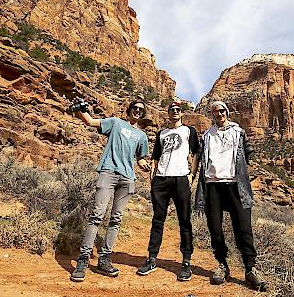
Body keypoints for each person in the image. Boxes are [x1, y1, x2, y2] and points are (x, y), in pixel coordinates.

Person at [70, 99, 151, 282]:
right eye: (135, 108)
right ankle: (83, 260)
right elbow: (90, 122)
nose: (137, 111)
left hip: (127, 177)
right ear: (129, 110)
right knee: (97, 215)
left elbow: (140, 158)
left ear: (142, 114)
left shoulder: (142, 136)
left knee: (116, 219)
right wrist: (81, 110)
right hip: (109, 172)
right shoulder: (115, 122)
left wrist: (144, 165)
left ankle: (104, 258)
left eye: (141, 110)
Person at [194, 100, 267, 291]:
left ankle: (250, 269)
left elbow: (248, 152)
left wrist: (241, 171)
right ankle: (222, 265)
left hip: (236, 185)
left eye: (222, 111)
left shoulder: (238, 131)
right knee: (215, 229)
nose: (219, 114)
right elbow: (199, 157)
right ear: (212, 115)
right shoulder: (207, 135)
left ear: (226, 112)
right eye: (215, 112)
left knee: (243, 228)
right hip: (212, 186)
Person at [137, 101, 200, 281]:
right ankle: (151, 258)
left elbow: (196, 153)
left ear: (181, 113)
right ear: (168, 113)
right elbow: (156, 157)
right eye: (171, 110)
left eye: (177, 110)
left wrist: (191, 176)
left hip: (181, 178)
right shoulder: (162, 133)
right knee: (158, 220)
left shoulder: (189, 131)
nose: (174, 112)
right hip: (161, 179)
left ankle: (186, 261)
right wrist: (152, 177)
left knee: (184, 221)